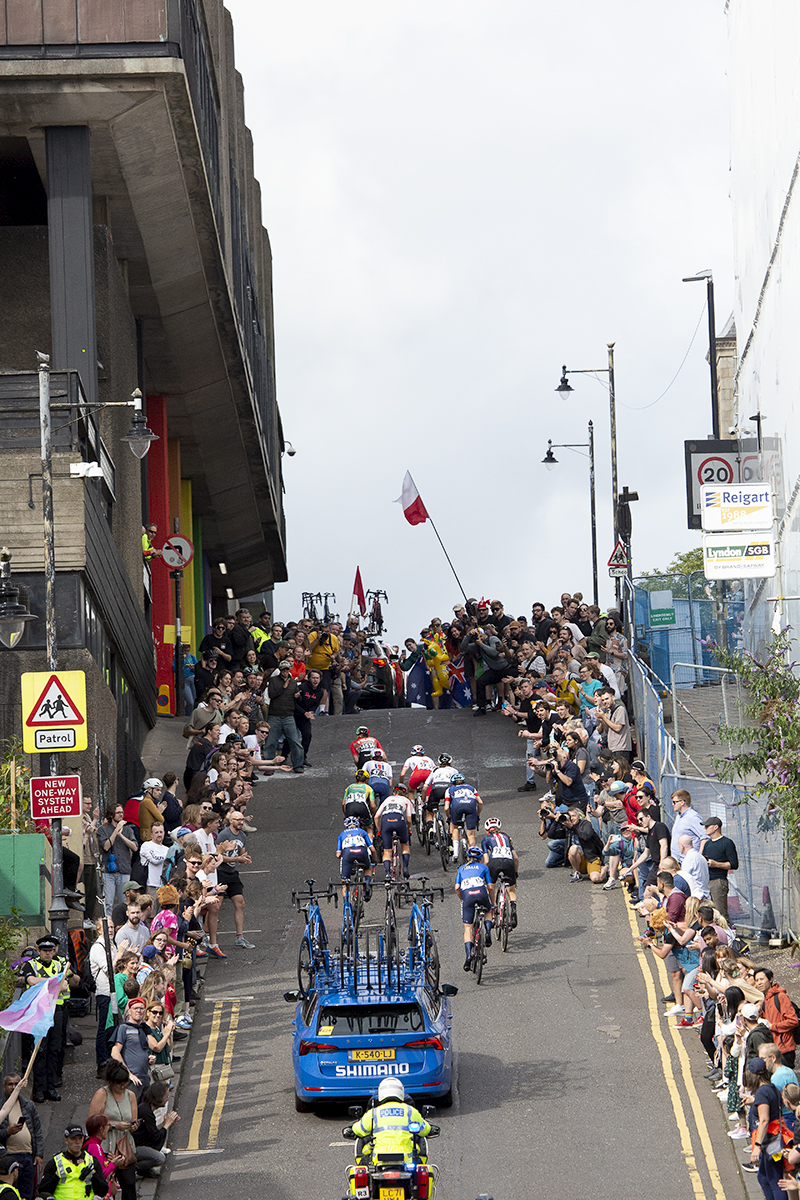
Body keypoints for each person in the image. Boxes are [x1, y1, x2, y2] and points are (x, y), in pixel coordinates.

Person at [20, 935, 78, 1104]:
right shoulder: (31, 964)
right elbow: (31, 981)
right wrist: (55, 982)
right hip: (39, 1010)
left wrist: (48, 983)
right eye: (44, 951)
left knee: (54, 1049)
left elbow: (66, 985)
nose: (48, 953)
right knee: (40, 1049)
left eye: (50, 950)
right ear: (38, 951)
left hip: (57, 1010)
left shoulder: (60, 964)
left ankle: (50, 1087)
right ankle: (38, 1089)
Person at [346, 1079, 436, 1164]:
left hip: (378, 1158)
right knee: (422, 1168)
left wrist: (351, 1128)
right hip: (407, 1158)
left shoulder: (374, 1112)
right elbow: (425, 1130)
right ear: (401, 1092)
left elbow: (360, 1130)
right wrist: (432, 1128)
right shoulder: (410, 1111)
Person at [87, 1061, 139, 1200]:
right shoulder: (102, 1094)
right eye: (119, 1084)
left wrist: (133, 1126)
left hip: (125, 1147)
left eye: (125, 1084)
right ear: (111, 1082)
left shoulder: (131, 1096)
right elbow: (92, 1123)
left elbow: (134, 1119)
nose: (122, 1087)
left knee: (129, 1184)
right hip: (106, 1148)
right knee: (107, 1186)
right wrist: (115, 1125)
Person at [215, 809, 255, 949]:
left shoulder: (242, 835)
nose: (241, 822)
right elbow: (217, 857)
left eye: (242, 819)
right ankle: (208, 936)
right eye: (238, 819)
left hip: (232, 873)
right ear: (231, 821)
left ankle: (240, 937)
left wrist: (245, 859)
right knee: (216, 907)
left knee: (240, 903)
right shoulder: (223, 835)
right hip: (220, 873)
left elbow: (242, 853)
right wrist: (237, 858)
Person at [38, 1126, 108, 1200]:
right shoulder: (56, 1162)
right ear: (66, 1140)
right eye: (73, 1138)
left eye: (80, 1138)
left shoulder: (92, 1161)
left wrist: (94, 1175)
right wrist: (56, 1177)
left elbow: (103, 1191)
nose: (77, 1142)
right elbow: (42, 1190)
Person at [0, 1077, 42, 1200]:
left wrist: (18, 1089)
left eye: (15, 1084)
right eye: (10, 1084)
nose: (13, 1087)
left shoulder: (28, 1105)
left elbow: (4, 1109)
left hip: (27, 1157)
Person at [454, 846, 495, 969]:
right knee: (487, 911)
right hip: (481, 894)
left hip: (468, 897)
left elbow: (457, 888)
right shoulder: (484, 867)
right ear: (480, 858)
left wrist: (462, 900)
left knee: (468, 928)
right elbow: (490, 887)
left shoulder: (461, 869)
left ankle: (468, 955)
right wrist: (493, 903)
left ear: (467, 857)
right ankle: (487, 932)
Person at [97, 805, 139, 920]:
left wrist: (121, 835)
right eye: (118, 812)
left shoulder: (128, 830)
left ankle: (124, 925)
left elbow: (135, 847)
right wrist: (116, 831)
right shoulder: (103, 830)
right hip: (108, 871)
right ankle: (108, 928)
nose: (121, 814)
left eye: (122, 812)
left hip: (124, 869)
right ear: (112, 815)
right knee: (108, 903)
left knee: (125, 902)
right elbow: (106, 846)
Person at [263, 662, 305, 773]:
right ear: (280, 670)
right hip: (274, 715)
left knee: (295, 741)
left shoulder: (293, 682)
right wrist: (283, 687)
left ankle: (298, 765)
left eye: (287, 669)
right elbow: (271, 694)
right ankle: (269, 767)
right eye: (283, 669)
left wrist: (298, 697)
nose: (285, 671)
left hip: (288, 715)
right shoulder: (273, 680)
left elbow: (298, 699)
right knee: (270, 742)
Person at [109, 998, 154, 1099]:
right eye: (135, 1008)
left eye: (141, 1008)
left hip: (144, 1077)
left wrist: (149, 1058)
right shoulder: (123, 1028)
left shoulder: (143, 1029)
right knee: (131, 1109)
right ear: (129, 1011)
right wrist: (129, 1074)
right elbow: (115, 1053)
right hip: (132, 1080)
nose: (139, 1011)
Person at [624, 807, 670, 902]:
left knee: (662, 892)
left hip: (664, 865)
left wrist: (662, 866)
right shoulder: (649, 832)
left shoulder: (659, 827)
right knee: (647, 893)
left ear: (648, 816)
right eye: (638, 821)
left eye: (641, 819)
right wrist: (631, 868)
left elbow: (664, 846)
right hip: (655, 865)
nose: (640, 822)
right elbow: (645, 854)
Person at [133, 1081, 179, 1176]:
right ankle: (133, 1167)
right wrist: (167, 1124)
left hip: (141, 1143)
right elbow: (156, 1138)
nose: (167, 1100)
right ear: (159, 1098)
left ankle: (145, 1169)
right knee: (159, 1158)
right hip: (134, 1147)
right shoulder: (146, 1112)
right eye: (166, 1096)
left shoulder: (147, 1109)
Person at [754, 968, 798, 1068]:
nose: (759, 983)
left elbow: (793, 1020)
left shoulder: (781, 997)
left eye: (761, 979)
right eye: (756, 980)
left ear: (770, 979)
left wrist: (773, 1026)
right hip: (773, 1048)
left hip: (784, 1048)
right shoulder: (765, 1000)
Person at [481, 818, 518, 927]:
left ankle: (493, 908)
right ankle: (513, 909)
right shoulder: (507, 837)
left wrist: (484, 874)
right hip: (509, 862)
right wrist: (515, 872)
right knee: (511, 891)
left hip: (494, 862)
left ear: (487, 830)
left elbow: (486, 860)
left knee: (491, 887)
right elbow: (516, 858)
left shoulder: (486, 839)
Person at [701, 816, 739, 920]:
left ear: (715, 827)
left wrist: (716, 864)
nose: (705, 828)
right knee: (707, 912)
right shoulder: (707, 844)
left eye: (707, 826)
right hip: (706, 881)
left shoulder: (727, 843)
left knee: (720, 913)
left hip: (718, 881)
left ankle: (727, 933)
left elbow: (734, 864)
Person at [373, 788, 413, 879]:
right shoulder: (406, 800)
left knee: (387, 851)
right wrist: (409, 829)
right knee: (405, 845)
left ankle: (387, 873)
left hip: (386, 821)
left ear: (394, 793)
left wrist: (379, 831)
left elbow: (376, 817)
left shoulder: (387, 799)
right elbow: (409, 819)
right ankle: (405, 868)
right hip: (399, 820)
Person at [564, 808, 607, 884]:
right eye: (570, 816)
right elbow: (551, 834)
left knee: (596, 879)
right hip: (580, 858)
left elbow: (585, 836)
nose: (572, 818)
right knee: (573, 848)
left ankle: (605, 869)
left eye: (574, 816)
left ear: (579, 816)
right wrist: (556, 820)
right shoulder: (567, 827)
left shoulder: (586, 824)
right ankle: (577, 873)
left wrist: (573, 828)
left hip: (591, 857)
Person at [444, 774, 482, 858]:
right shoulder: (471, 788)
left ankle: (456, 853)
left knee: (455, 828)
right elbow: (480, 802)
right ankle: (472, 856)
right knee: (471, 835)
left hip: (457, 806)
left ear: (452, 783)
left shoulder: (450, 789)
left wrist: (449, 817)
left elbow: (446, 807)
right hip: (471, 806)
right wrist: (477, 815)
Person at [336, 816, 375, 898]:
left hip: (347, 852)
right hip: (362, 851)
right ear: (357, 825)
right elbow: (372, 849)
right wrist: (374, 860)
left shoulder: (342, 834)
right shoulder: (362, 832)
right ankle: (367, 885)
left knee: (345, 883)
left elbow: (338, 854)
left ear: (345, 826)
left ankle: (347, 905)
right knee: (367, 868)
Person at [591, 687, 632, 755]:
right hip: (612, 748)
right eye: (603, 700)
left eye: (607, 699)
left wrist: (604, 717)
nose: (605, 702)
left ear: (613, 697)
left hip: (621, 748)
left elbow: (618, 728)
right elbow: (608, 731)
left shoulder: (620, 709)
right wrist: (602, 720)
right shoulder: (609, 712)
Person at [669, 790, 708, 856]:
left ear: (682, 802)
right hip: (677, 861)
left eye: (674, 802)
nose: (672, 804)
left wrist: (699, 856)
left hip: (688, 860)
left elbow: (705, 837)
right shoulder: (678, 816)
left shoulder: (693, 817)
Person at [676, 833, 711, 899]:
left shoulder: (689, 859)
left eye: (679, 846)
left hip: (696, 896)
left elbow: (685, 879)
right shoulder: (701, 857)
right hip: (706, 895)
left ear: (682, 846)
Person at [139, 823, 170, 891]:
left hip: (164, 885)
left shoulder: (167, 849)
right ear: (151, 834)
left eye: (161, 832)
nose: (159, 834)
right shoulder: (146, 845)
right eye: (156, 832)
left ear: (164, 833)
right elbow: (155, 860)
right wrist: (168, 856)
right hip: (151, 885)